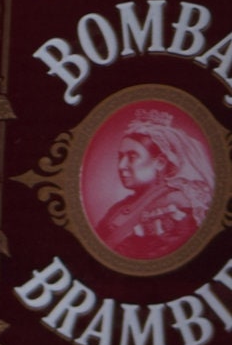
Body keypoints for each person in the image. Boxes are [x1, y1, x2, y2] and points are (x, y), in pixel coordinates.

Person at [91, 105, 217, 260]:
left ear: (160, 162)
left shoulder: (177, 207)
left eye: (132, 157)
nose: (121, 166)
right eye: (120, 157)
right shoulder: (121, 206)